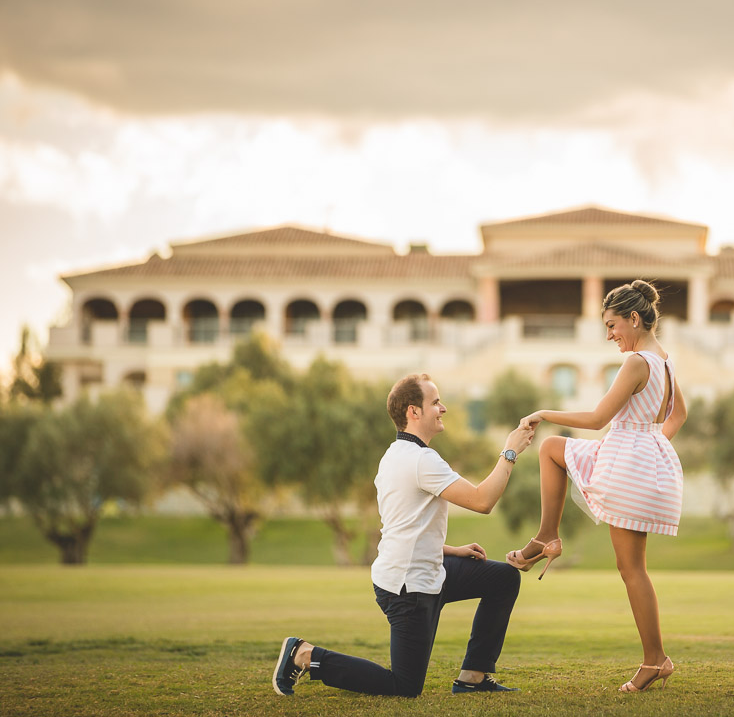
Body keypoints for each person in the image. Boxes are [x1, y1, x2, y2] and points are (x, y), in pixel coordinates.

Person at [273, 373, 534, 698]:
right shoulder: (420, 460)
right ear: (414, 412)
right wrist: (510, 452)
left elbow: (403, 526)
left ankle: (474, 676)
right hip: (408, 589)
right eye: (435, 402)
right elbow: (482, 501)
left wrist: (449, 550)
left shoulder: (395, 455)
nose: (443, 408)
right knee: (404, 686)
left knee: (504, 579)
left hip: (427, 571)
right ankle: (305, 654)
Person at [510, 280, 686, 693]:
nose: (610, 336)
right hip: (638, 458)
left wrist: (542, 411)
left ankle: (655, 660)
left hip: (627, 461)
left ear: (634, 318)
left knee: (632, 570)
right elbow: (679, 414)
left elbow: (595, 419)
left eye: (612, 326)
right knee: (553, 450)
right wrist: (653, 446)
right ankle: (546, 537)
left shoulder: (636, 362)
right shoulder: (665, 360)